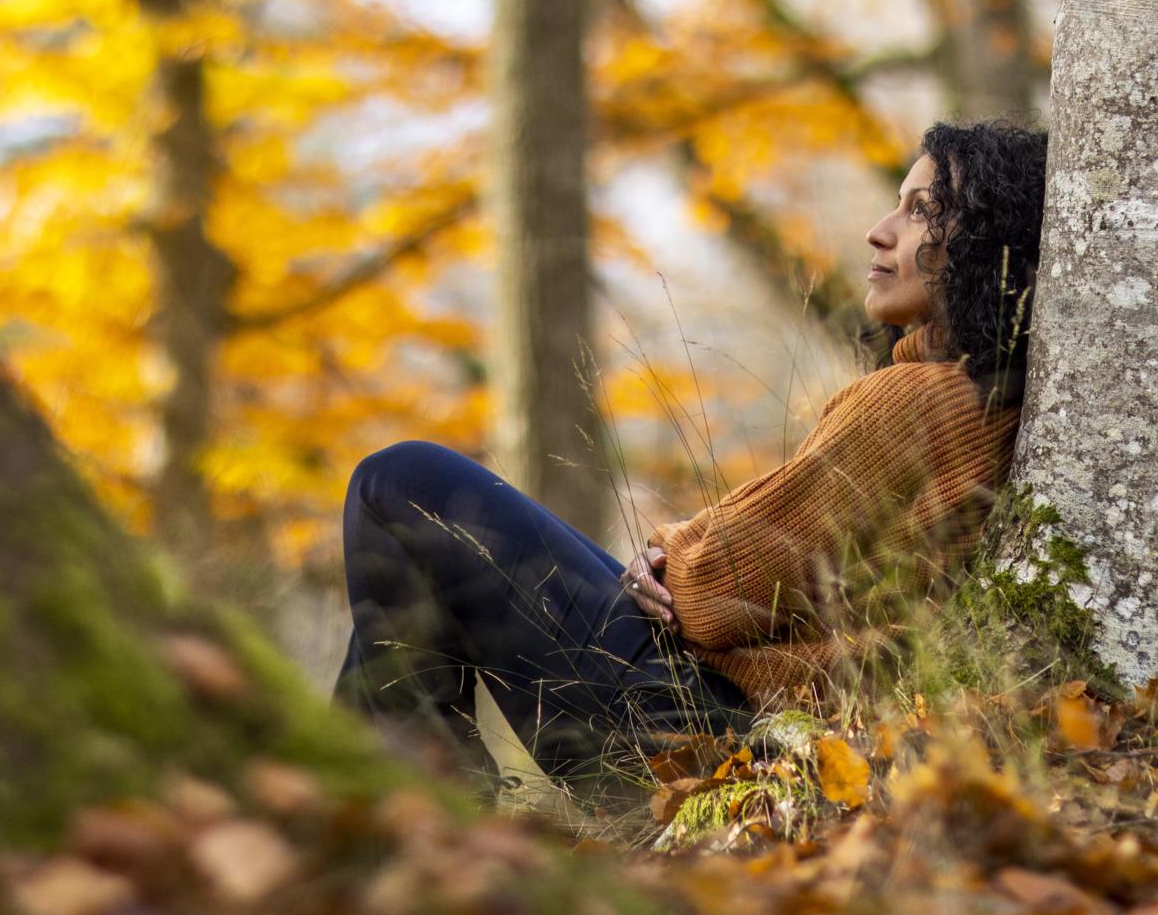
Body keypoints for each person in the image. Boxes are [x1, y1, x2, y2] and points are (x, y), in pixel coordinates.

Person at [332, 120, 1046, 778]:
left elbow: (709, 594)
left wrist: (669, 552)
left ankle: (391, 805)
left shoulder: (921, 400)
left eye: (922, 209)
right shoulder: (985, 398)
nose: (879, 232)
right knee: (408, 536)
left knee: (398, 483)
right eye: (897, 203)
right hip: (761, 732)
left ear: (988, 238)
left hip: (716, 734)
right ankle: (392, 796)